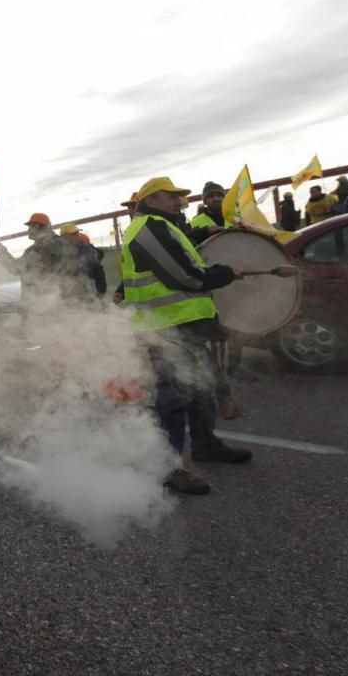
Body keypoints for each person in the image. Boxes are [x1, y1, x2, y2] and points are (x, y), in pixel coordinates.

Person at [121, 177, 252, 496]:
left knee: (202, 388)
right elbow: (181, 275)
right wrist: (221, 274)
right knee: (174, 397)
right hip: (164, 329)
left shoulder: (166, 225)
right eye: (171, 196)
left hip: (186, 325)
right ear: (151, 201)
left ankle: (205, 445)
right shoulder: (147, 227)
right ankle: (168, 468)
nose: (179, 201)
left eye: (180, 197)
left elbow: (181, 259)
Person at [0, 212, 89, 310]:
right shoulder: (64, 244)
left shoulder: (36, 250)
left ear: (37, 227)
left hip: (41, 306)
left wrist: (3, 254)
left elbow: (15, 268)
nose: (28, 231)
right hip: (66, 303)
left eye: (30, 227)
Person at [60, 223, 106, 299]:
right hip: (66, 295)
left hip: (87, 293)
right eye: (73, 234)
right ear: (64, 237)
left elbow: (98, 271)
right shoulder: (59, 251)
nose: (76, 236)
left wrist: (101, 290)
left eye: (76, 233)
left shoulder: (87, 250)